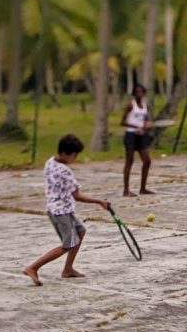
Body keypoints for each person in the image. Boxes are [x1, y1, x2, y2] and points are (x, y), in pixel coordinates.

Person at [23, 134, 110, 286]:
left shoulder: (50, 162)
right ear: (65, 153)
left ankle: (68, 269)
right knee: (68, 244)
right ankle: (33, 267)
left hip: (62, 209)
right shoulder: (65, 171)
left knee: (80, 232)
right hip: (60, 212)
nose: (75, 158)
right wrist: (99, 201)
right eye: (74, 155)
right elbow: (77, 195)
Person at [121, 83, 155, 197]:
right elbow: (122, 122)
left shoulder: (145, 105)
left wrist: (147, 124)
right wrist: (136, 127)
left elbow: (144, 120)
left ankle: (143, 188)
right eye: (137, 92)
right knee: (129, 161)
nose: (139, 94)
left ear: (144, 93)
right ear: (134, 93)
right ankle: (126, 190)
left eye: (141, 92)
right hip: (131, 135)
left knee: (147, 160)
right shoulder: (131, 105)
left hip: (141, 136)